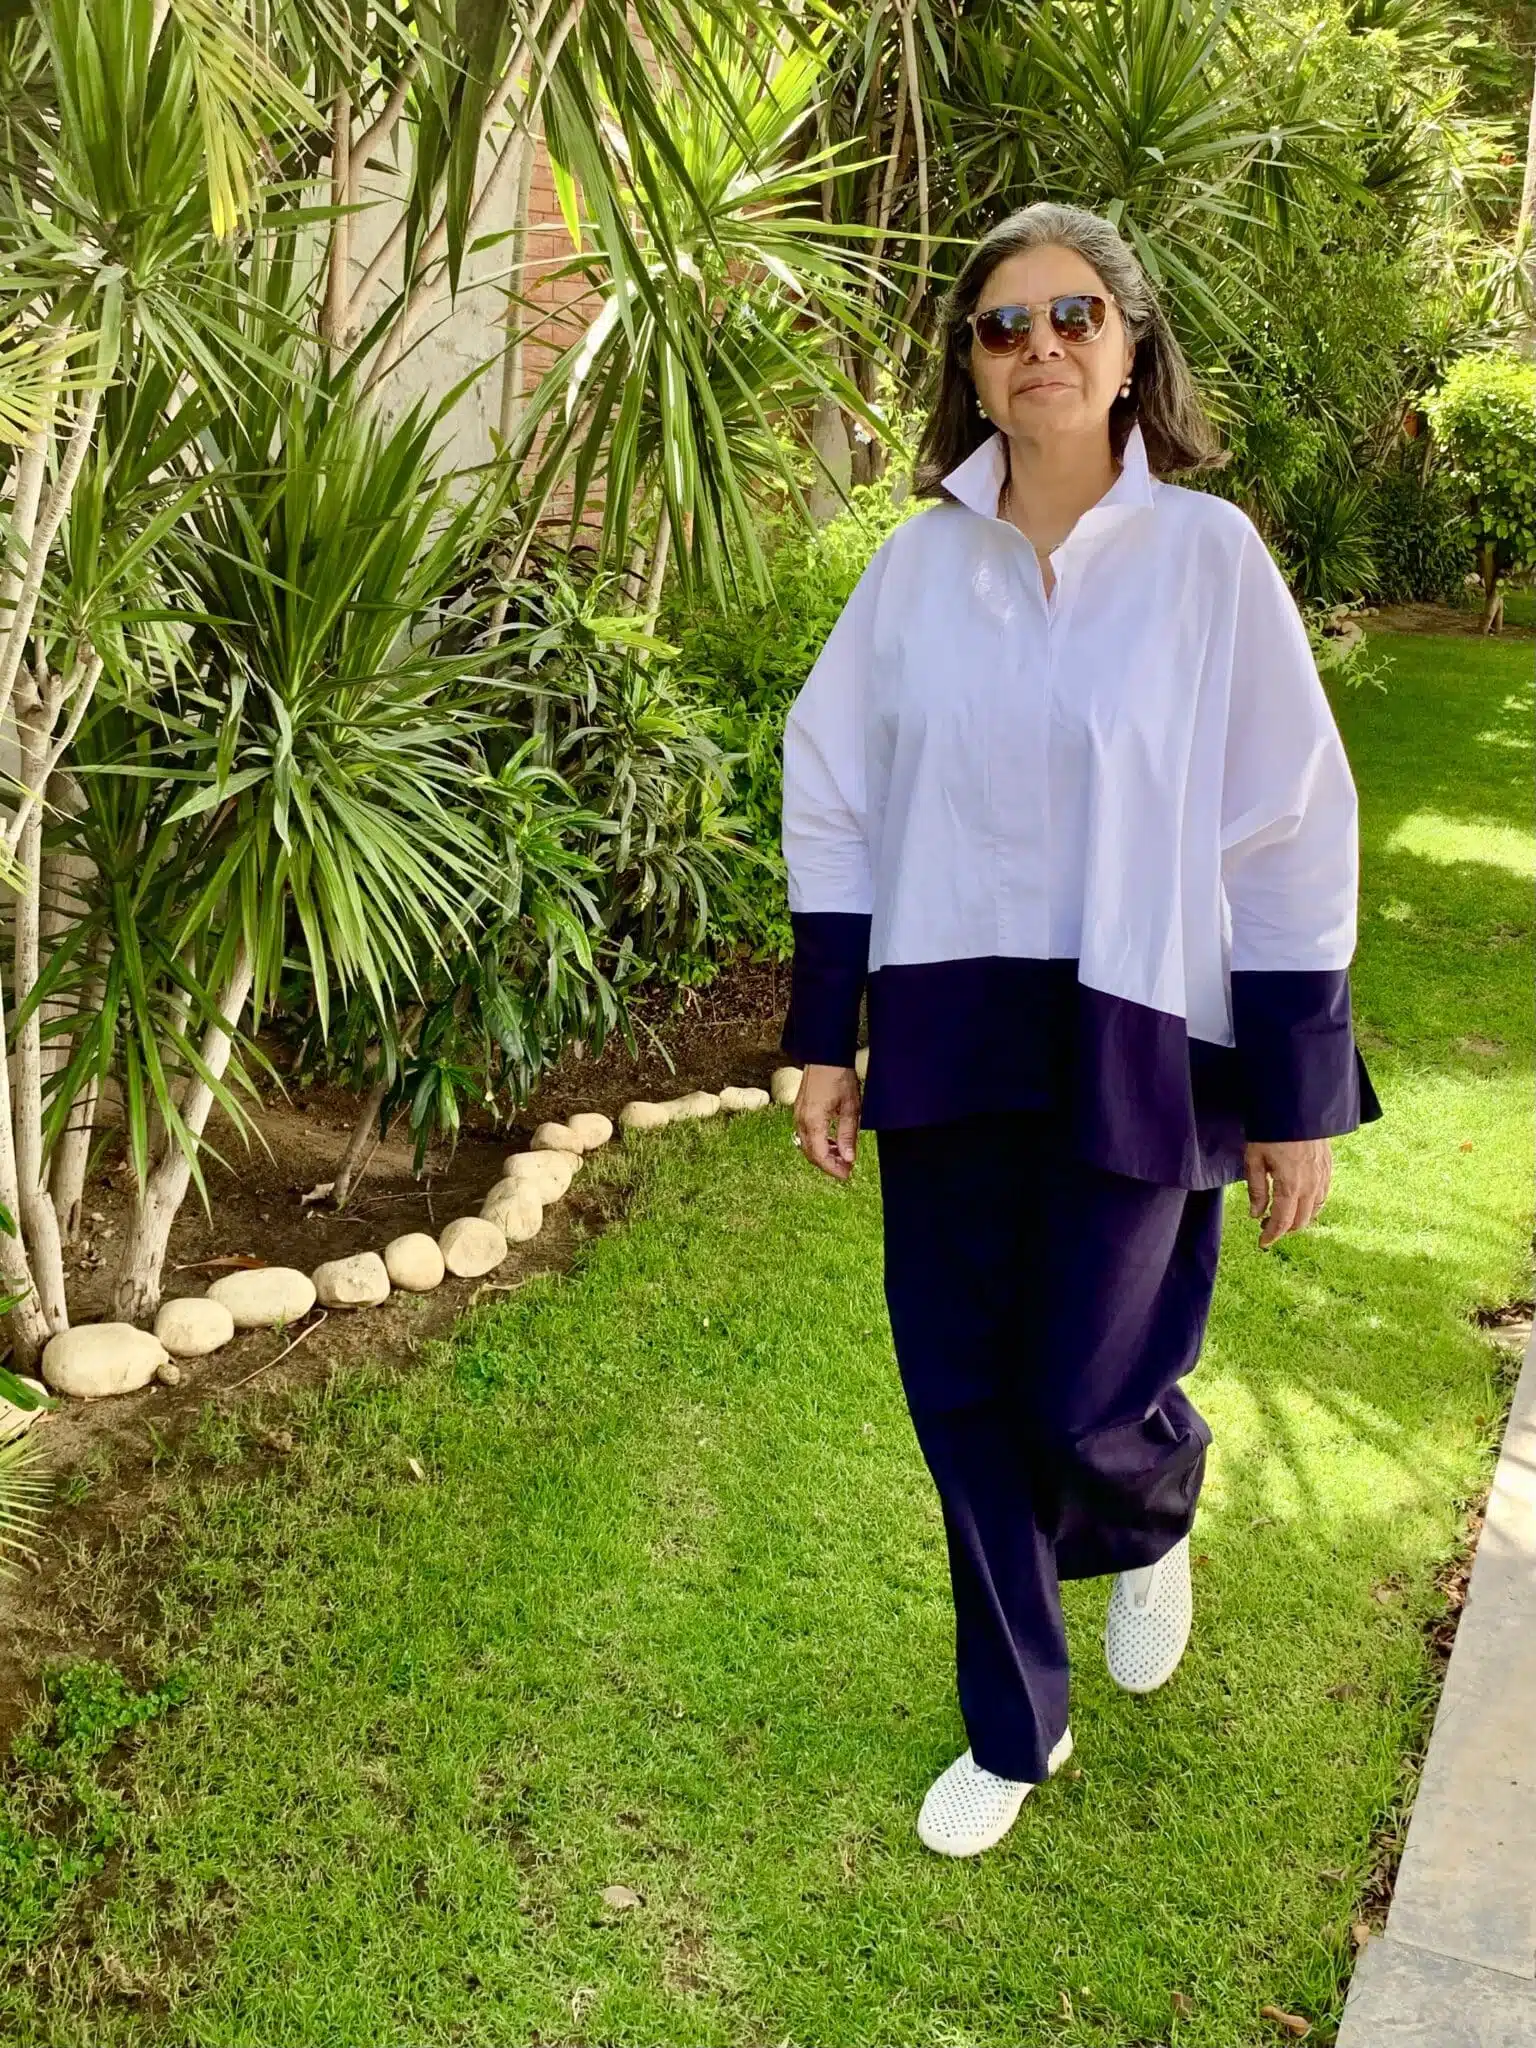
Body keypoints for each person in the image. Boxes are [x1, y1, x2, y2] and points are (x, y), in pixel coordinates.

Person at [778, 201, 1380, 1859]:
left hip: (1142, 1032)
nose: (1037, 345)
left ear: (1128, 350)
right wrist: (827, 1034)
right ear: (971, 371)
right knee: (962, 1389)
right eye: (1002, 325)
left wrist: (1294, 1090)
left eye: (1072, 316)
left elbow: (1290, 826)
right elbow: (830, 795)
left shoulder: (1209, 560)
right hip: (950, 1031)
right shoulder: (913, 573)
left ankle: (1149, 1504)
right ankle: (1015, 1725)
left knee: (1086, 1388)